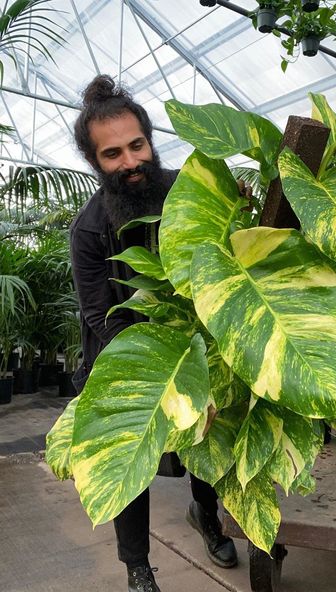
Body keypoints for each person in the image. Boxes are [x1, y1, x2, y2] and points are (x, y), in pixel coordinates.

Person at [70, 74, 238, 592]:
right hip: (124, 357)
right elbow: (101, 314)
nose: (131, 162)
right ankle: (137, 567)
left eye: (137, 145)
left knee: (202, 439)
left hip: (193, 342)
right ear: (96, 162)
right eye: (113, 154)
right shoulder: (90, 229)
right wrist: (155, 352)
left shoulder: (185, 197)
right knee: (129, 463)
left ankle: (205, 515)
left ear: (150, 140)